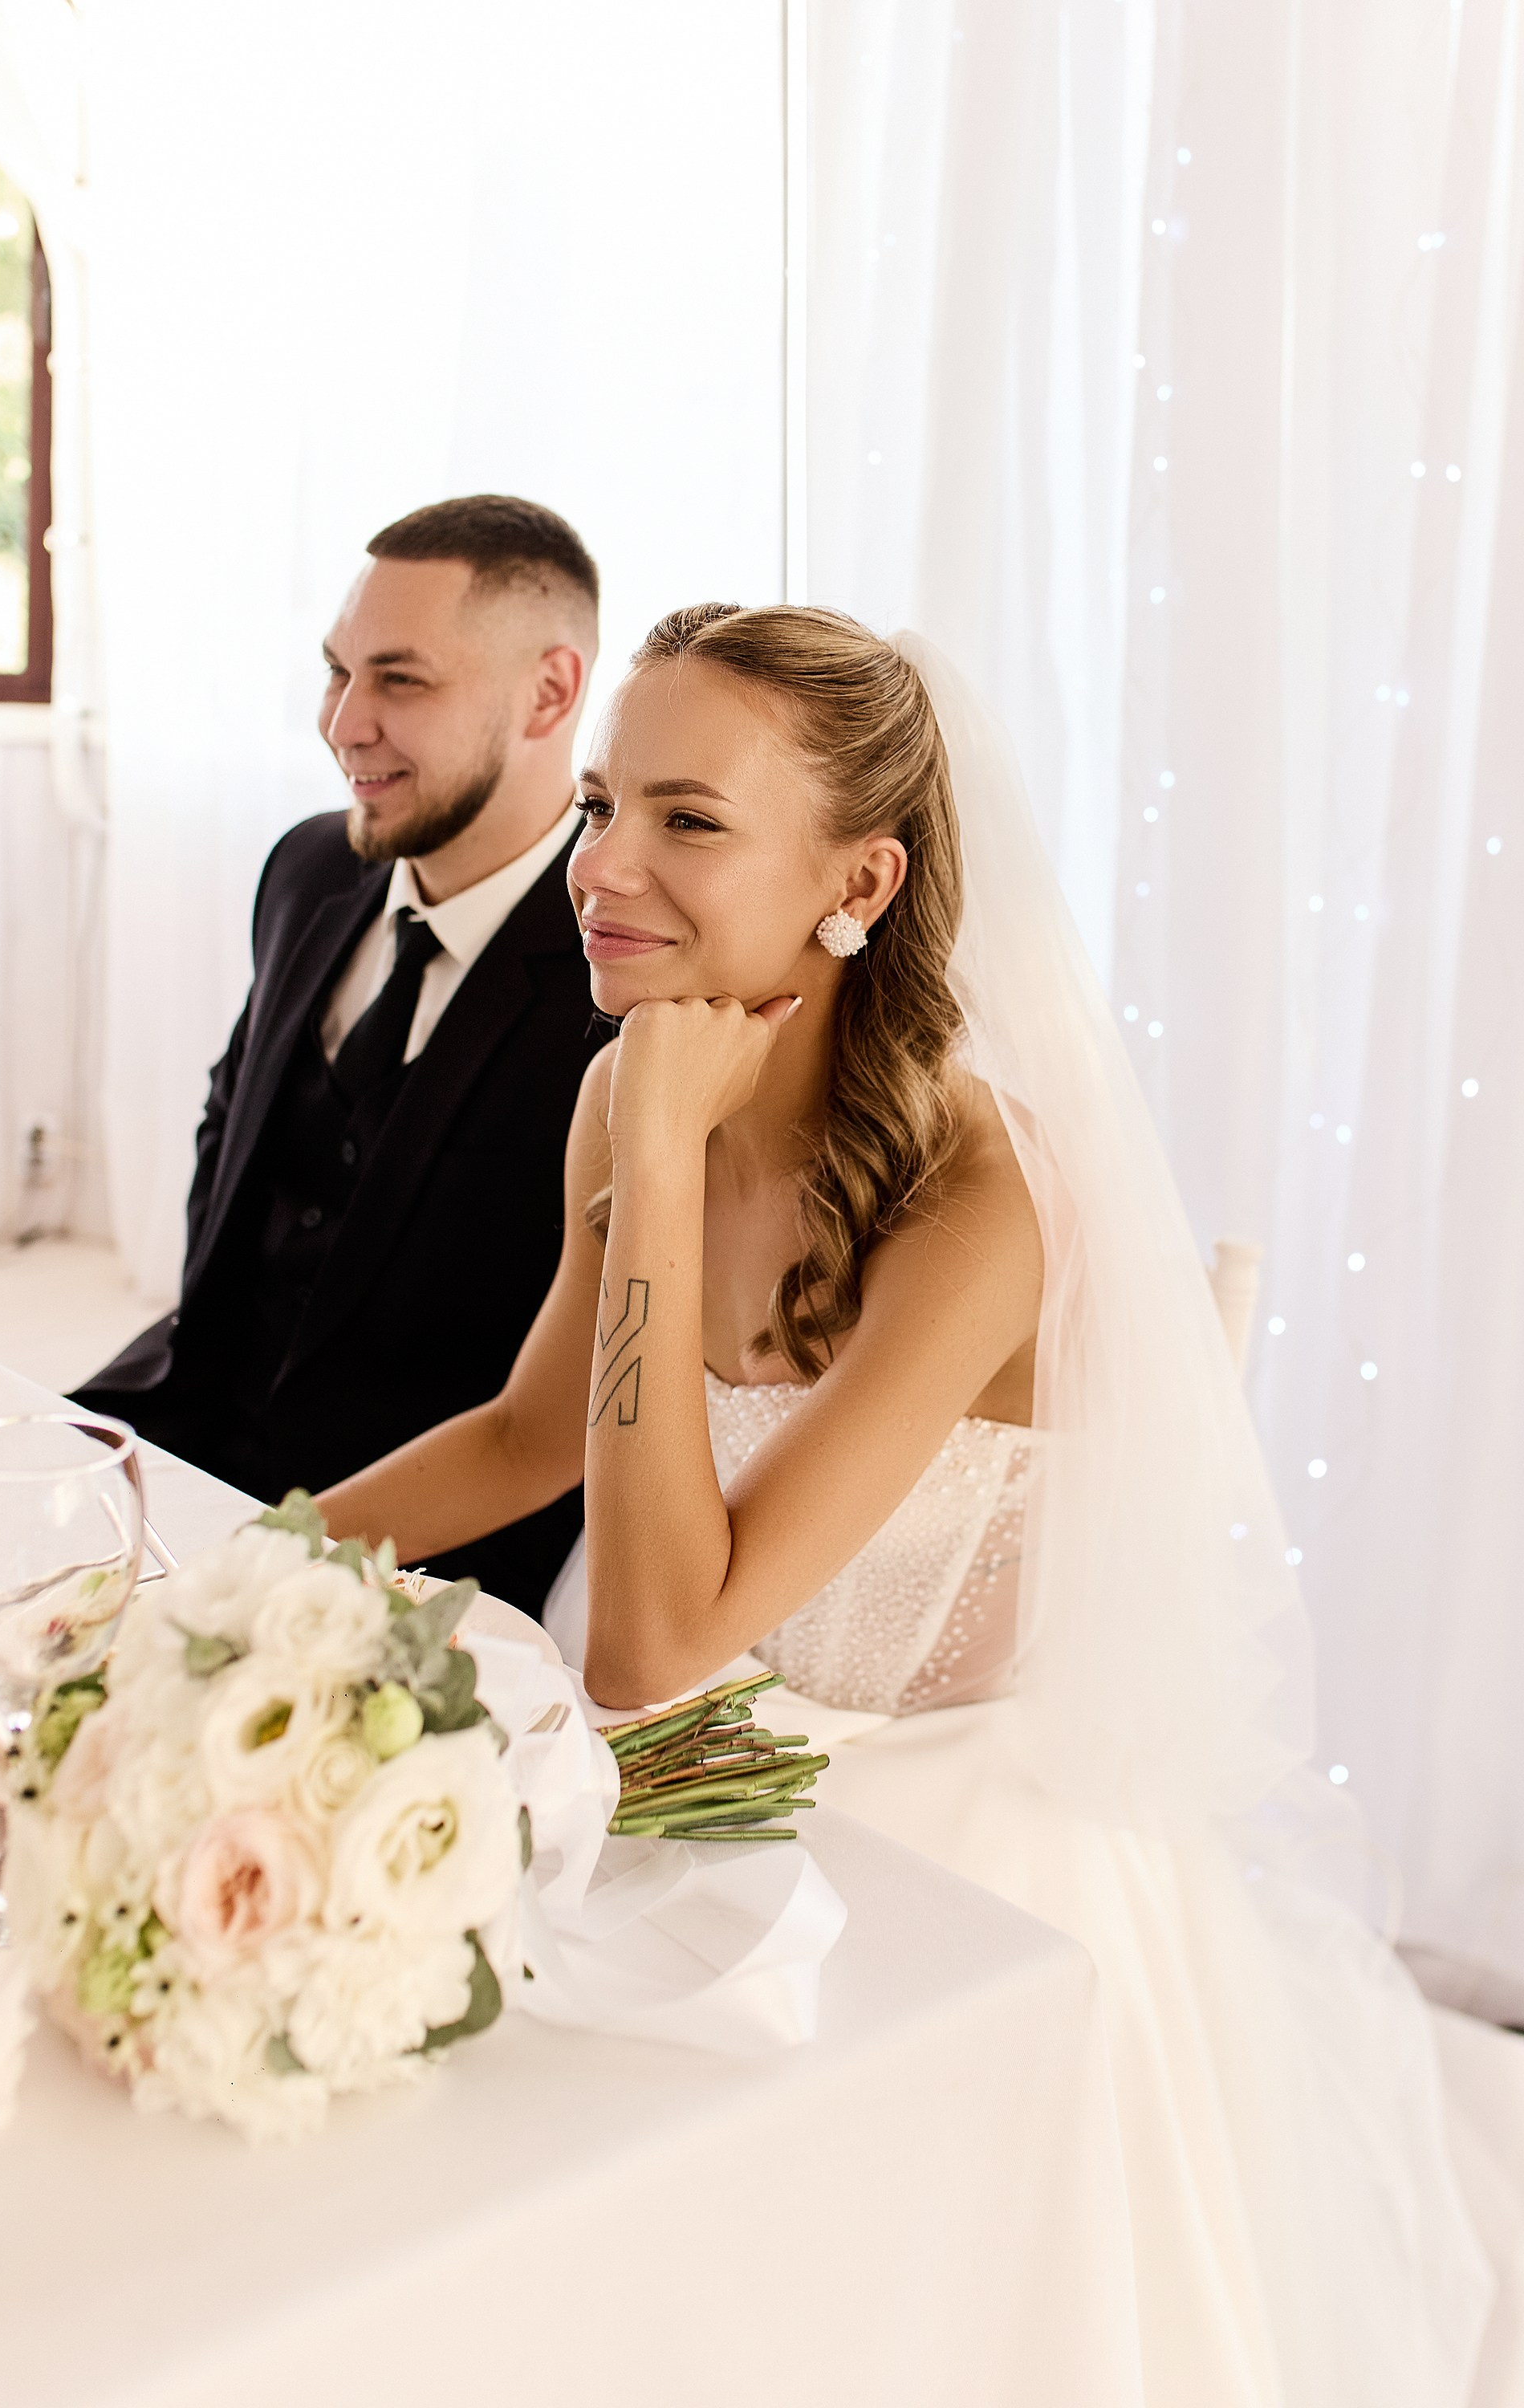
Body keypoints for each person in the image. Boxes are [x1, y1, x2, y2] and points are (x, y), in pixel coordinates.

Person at [316, 602, 1498, 2403]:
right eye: (608, 803)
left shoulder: (984, 1192)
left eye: (689, 822)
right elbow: (526, 1431)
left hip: (945, 1850)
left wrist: (652, 1152)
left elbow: (648, 1645)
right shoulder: (623, 1081)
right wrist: (237, 1568)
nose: (604, 863)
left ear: (856, 880)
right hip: (694, 1778)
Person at [74, 494, 612, 1616]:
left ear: (551, 692)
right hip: (183, 1424)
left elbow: (555, 1410)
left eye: (401, 681)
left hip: (420, 1544)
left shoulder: (624, 977)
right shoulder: (309, 869)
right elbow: (233, 1142)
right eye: (338, 671)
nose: (343, 723)